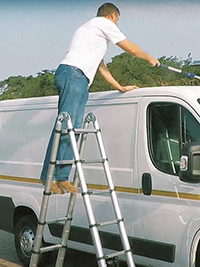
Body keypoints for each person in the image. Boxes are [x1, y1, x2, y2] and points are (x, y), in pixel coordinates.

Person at [40, 2, 160, 194]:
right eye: (117, 20)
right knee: (65, 127)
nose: (117, 24)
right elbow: (129, 48)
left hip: (79, 79)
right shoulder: (103, 24)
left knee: (74, 130)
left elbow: (101, 67)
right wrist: (149, 58)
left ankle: (62, 177)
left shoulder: (91, 34)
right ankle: (49, 177)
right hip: (73, 75)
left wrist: (119, 87)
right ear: (112, 16)